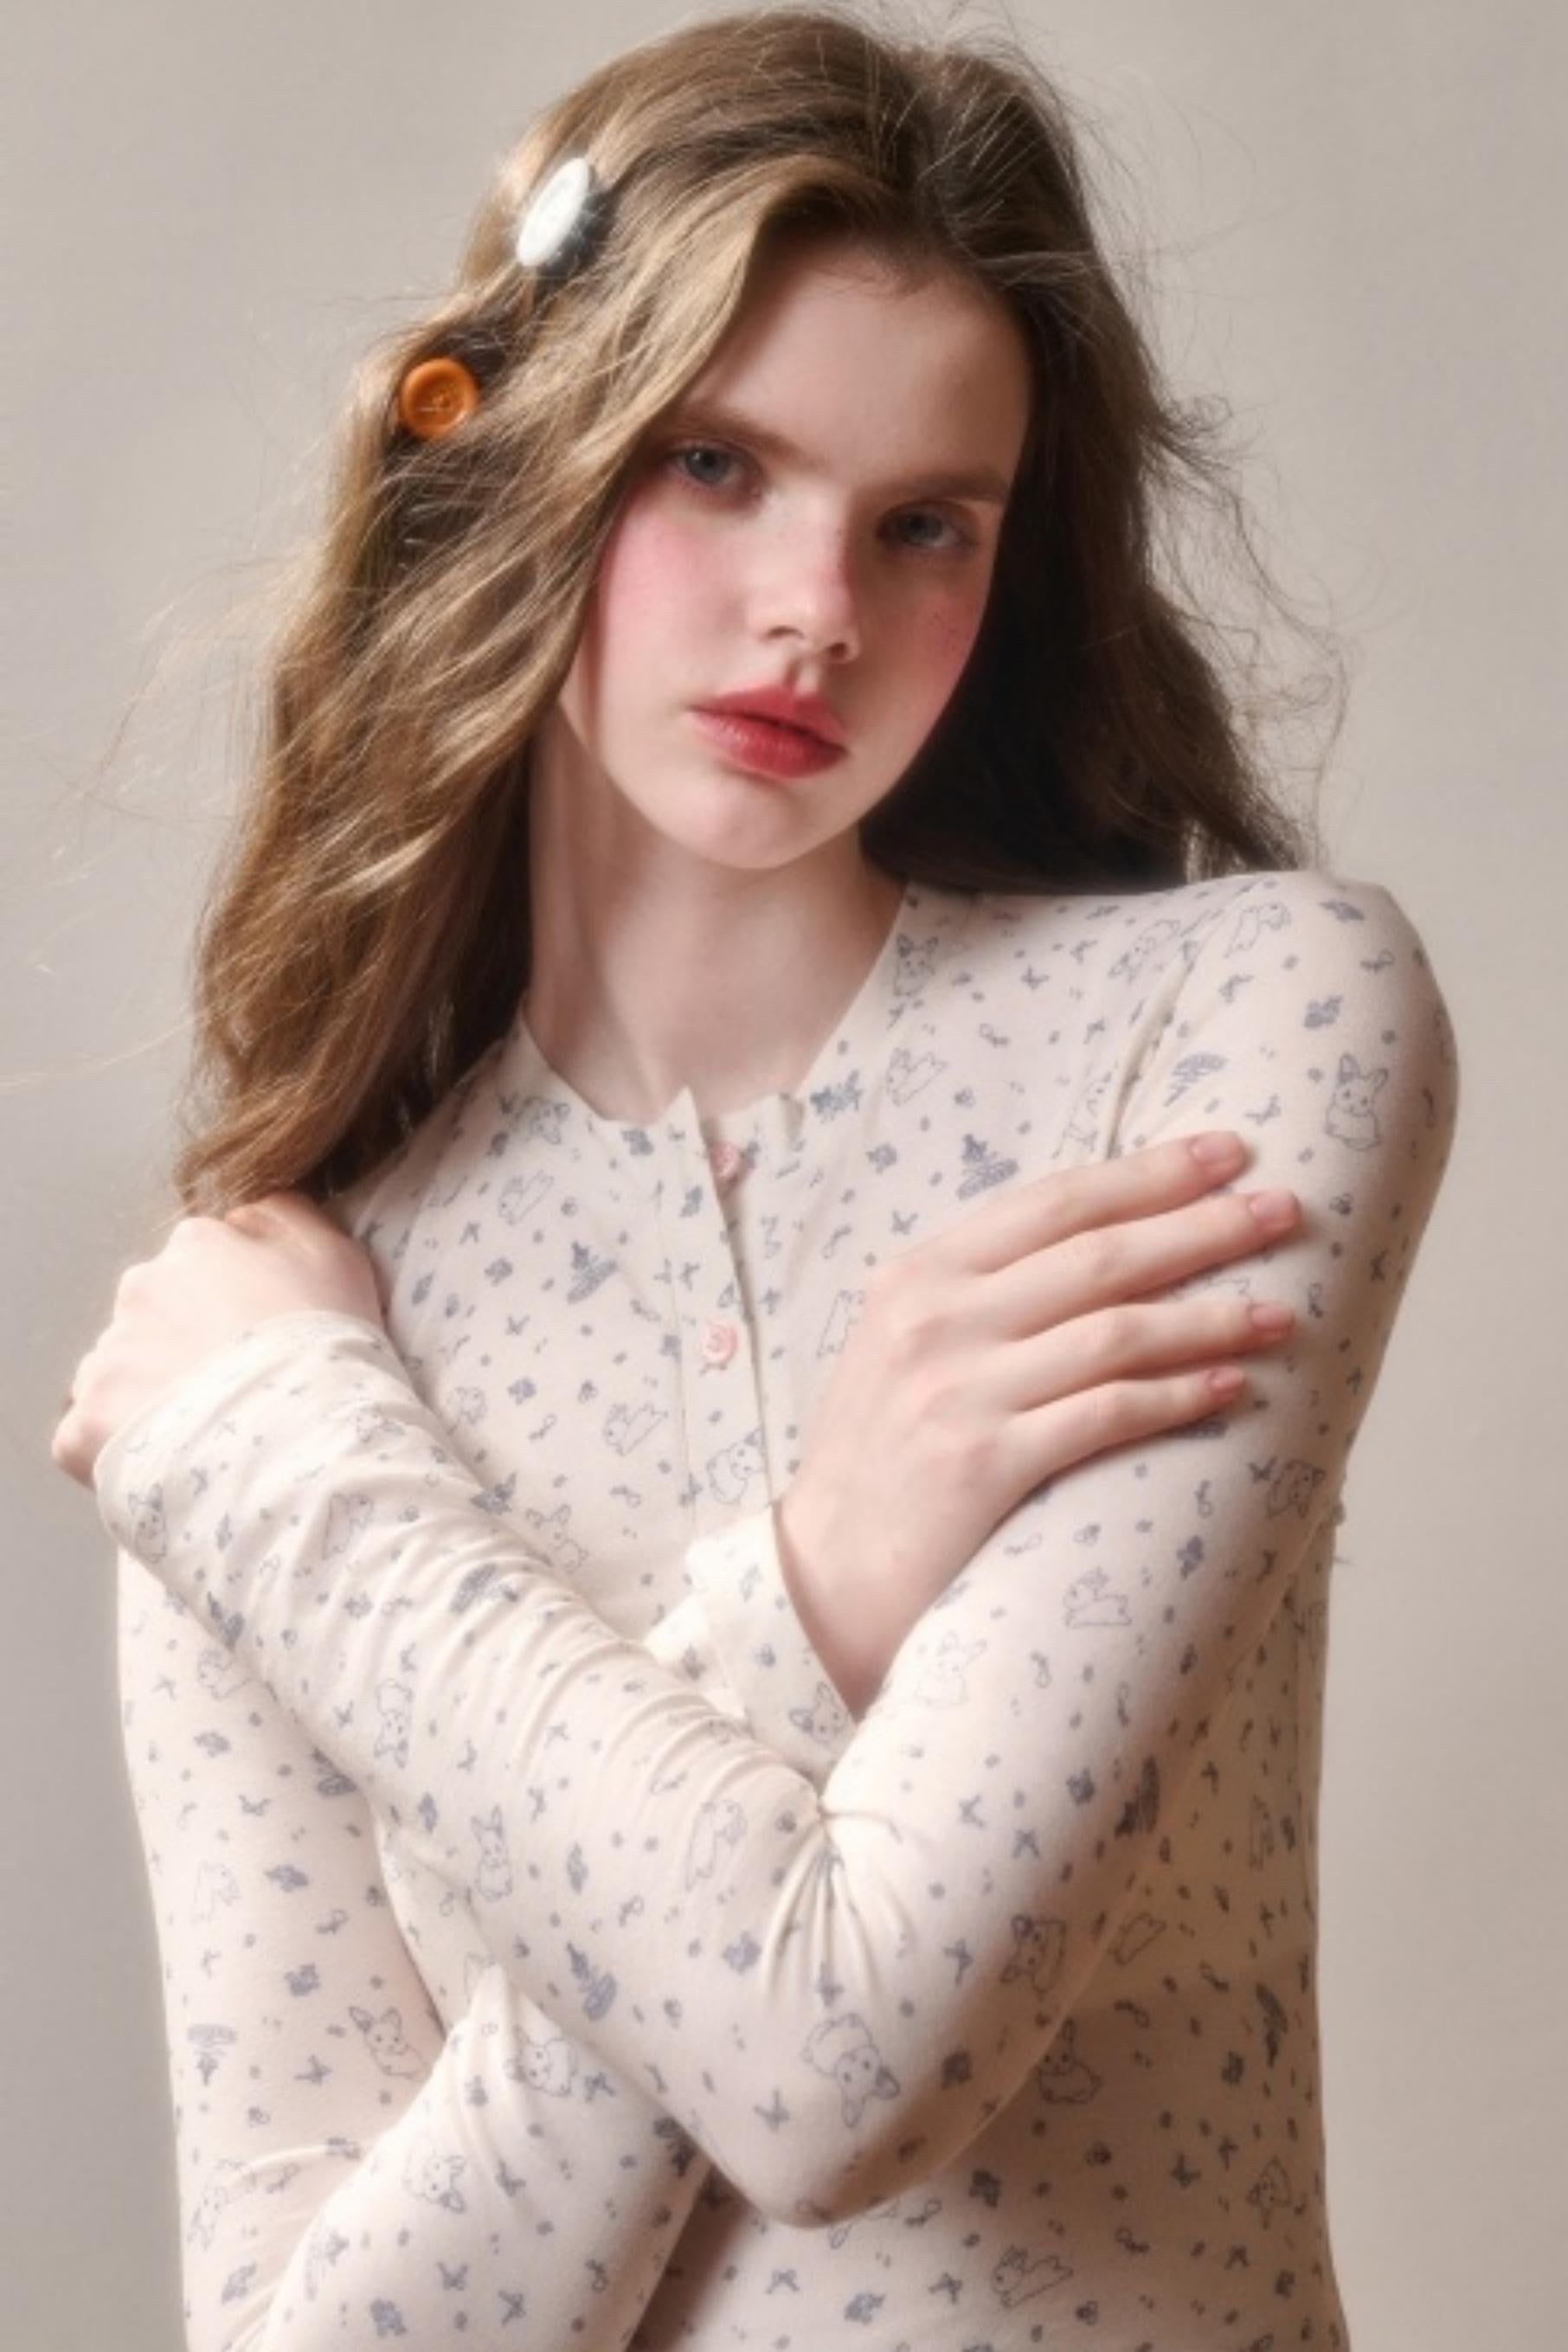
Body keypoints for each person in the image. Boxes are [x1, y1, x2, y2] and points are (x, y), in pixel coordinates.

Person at [52, 6, 1461, 2347]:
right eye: (715, 466)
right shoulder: (280, 1363)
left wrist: (334, 1514)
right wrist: (811, 1585)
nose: (818, 606)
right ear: (519, 460)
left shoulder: (1226, 1035)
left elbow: (846, 2068)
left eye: (924, 526)